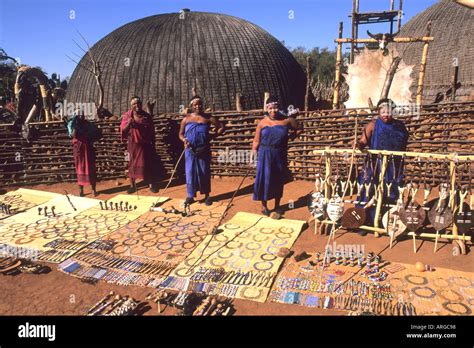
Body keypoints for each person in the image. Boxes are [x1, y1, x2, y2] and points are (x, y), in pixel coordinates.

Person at [355, 98, 409, 234]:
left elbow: (403, 143)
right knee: (369, 190)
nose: (386, 114)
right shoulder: (372, 125)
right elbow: (363, 141)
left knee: (390, 191)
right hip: (374, 165)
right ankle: (363, 221)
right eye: (383, 111)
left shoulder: (399, 126)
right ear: (378, 112)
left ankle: (386, 221)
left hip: (393, 166)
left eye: (389, 111)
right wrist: (359, 145)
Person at [251, 97, 301, 217]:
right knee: (265, 179)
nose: (273, 110)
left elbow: (299, 129)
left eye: (275, 107)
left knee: (278, 179)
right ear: (267, 109)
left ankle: (277, 205)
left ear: (279, 108)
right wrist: (252, 155)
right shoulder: (262, 123)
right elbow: (256, 141)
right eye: (270, 108)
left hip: (279, 153)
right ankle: (264, 206)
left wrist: (289, 138)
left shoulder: (287, 121)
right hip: (265, 154)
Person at [179, 96, 224, 206]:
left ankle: (207, 195)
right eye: (195, 105)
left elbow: (221, 127)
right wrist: (184, 140)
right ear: (192, 106)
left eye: (199, 104)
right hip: (190, 150)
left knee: (204, 171)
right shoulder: (186, 119)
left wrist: (212, 136)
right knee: (190, 172)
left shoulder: (208, 118)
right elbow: (180, 134)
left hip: (203, 149)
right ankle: (190, 196)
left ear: (202, 105)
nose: (197, 106)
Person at [120, 96, 158, 194]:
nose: (136, 105)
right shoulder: (127, 116)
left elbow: (151, 130)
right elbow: (123, 131)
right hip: (132, 145)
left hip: (145, 144)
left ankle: (151, 185)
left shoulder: (146, 116)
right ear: (131, 105)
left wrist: (152, 142)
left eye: (138, 103)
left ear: (141, 104)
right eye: (134, 104)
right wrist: (129, 123)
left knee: (148, 165)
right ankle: (132, 186)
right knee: (131, 164)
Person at [67, 111, 100, 197]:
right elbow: (73, 135)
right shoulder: (73, 125)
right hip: (79, 150)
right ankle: (81, 191)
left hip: (88, 148)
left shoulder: (88, 124)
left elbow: (95, 133)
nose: (81, 116)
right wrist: (75, 124)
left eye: (82, 114)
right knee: (79, 169)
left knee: (91, 168)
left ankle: (93, 190)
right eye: (79, 115)